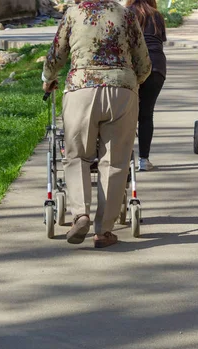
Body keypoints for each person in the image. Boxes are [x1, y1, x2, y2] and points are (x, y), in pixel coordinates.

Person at [42, 0, 151, 248]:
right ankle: (103, 232)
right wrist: (131, 83)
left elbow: (56, 55)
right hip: (121, 90)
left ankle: (80, 214)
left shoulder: (73, 14)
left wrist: (48, 79)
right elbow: (144, 63)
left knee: (77, 155)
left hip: (81, 89)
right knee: (114, 162)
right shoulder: (126, 15)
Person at [126, 0, 166, 171]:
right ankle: (144, 159)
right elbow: (160, 41)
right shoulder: (157, 15)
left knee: (126, 116)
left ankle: (126, 159)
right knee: (146, 114)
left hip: (132, 66)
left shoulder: (126, 13)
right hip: (156, 66)